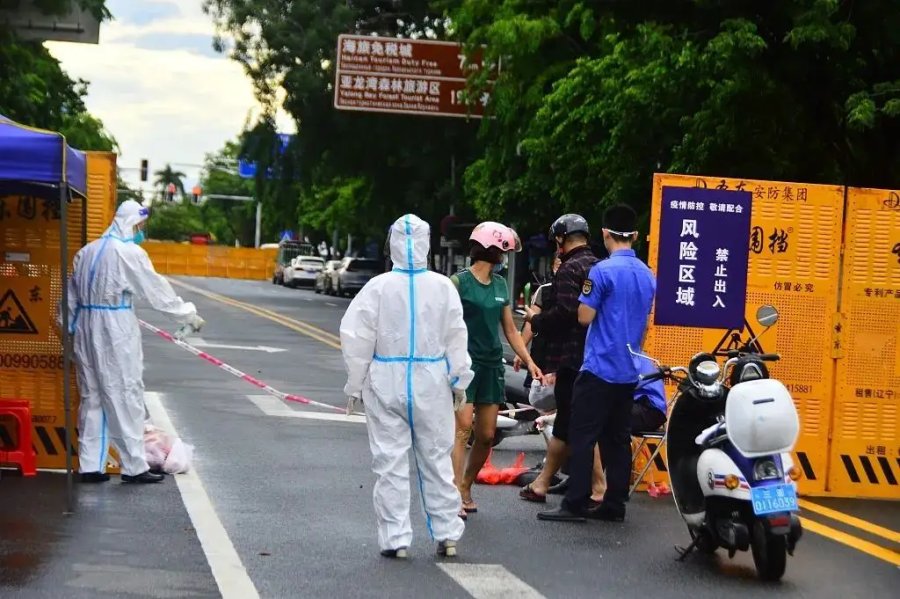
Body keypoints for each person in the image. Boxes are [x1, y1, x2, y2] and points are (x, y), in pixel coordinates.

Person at [340, 214, 473, 559]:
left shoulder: (378, 287)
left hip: (386, 381)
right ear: (427, 244)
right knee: (437, 460)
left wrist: (355, 384)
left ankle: (395, 539)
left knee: (389, 463)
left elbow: (356, 337)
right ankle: (447, 534)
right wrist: (460, 380)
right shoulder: (443, 287)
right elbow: (457, 336)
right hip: (432, 382)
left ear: (393, 244)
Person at [63, 200, 205, 484]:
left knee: (92, 397)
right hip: (115, 328)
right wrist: (187, 314)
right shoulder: (129, 253)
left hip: (84, 328)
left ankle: (90, 466)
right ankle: (134, 466)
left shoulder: (86, 252)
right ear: (132, 224)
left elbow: (68, 300)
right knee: (124, 395)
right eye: (140, 226)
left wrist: (69, 333)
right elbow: (156, 291)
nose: (141, 231)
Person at [539, 204, 656, 522]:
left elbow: (584, 316)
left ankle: (574, 503)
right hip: (629, 369)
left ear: (605, 234)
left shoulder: (601, 272)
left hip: (599, 366)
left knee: (582, 434)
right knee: (618, 439)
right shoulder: (647, 274)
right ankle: (615, 504)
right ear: (634, 235)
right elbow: (644, 322)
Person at [452, 222, 542, 518]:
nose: (505, 257)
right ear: (491, 249)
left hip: (491, 367)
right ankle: (454, 494)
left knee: (486, 434)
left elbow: (511, 331)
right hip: (464, 365)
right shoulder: (458, 283)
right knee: (462, 429)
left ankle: (466, 484)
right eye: (503, 252)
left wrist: (529, 361)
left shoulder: (501, 285)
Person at [516, 215, 601, 503]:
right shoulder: (599, 266)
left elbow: (565, 313)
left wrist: (536, 319)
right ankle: (584, 484)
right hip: (597, 356)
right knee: (578, 422)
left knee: (570, 422)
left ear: (562, 239)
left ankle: (572, 485)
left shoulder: (569, 269)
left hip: (572, 356)